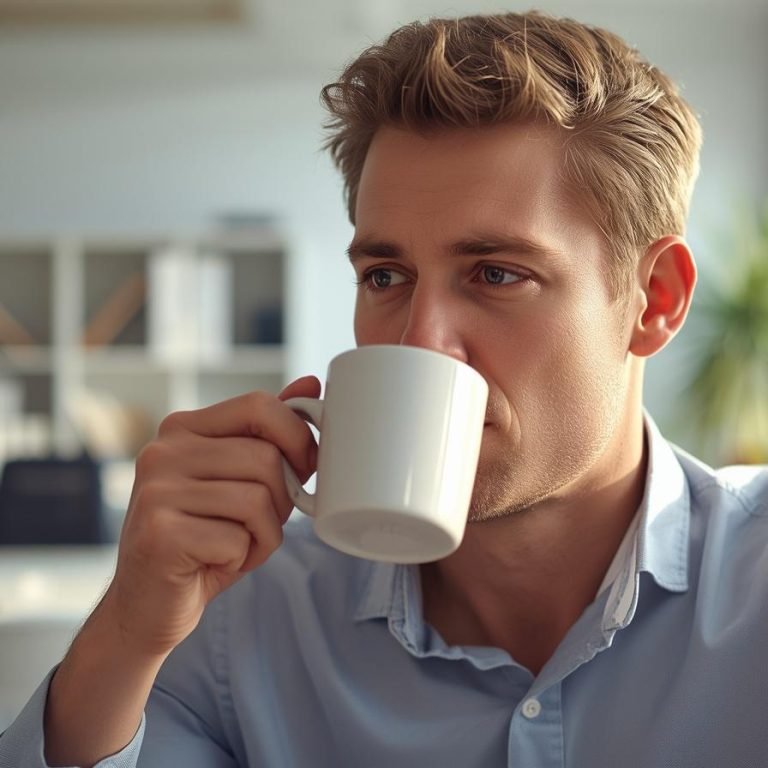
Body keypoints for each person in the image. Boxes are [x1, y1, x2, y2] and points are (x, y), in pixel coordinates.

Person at [2, 9, 767, 768]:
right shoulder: (241, 611)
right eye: (386, 276)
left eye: (497, 274)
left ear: (654, 299)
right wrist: (128, 631)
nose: (419, 340)